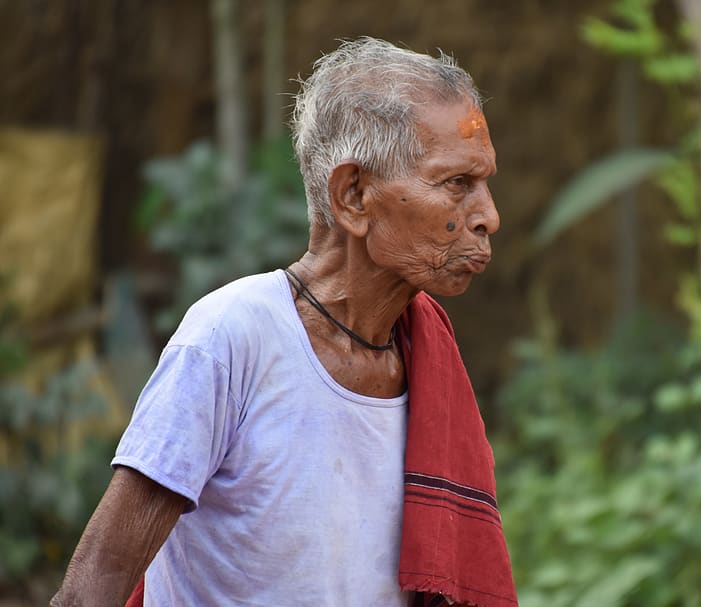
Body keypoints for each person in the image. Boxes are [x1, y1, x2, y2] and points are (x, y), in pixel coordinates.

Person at [51, 37, 516, 607]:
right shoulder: (231, 338)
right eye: (456, 184)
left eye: (485, 183)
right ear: (353, 196)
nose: (488, 216)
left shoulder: (421, 356)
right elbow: (96, 579)